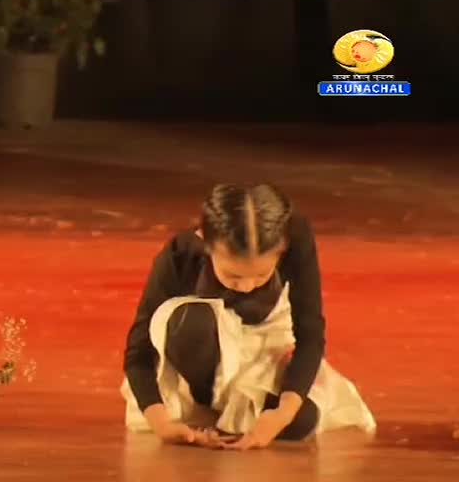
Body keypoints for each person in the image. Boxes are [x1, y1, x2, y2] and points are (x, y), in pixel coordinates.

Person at [121, 183, 376, 450]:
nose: (246, 286)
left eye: (261, 275)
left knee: (301, 420)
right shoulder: (181, 254)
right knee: (189, 323)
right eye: (233, 276)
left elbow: (310, 333)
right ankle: (208, 408)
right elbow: (138, 351)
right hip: (200, 360)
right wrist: (162, 425)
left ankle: (236, 415)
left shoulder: (296, 239)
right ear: (206, 244)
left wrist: (281, 414)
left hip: (263, 353)